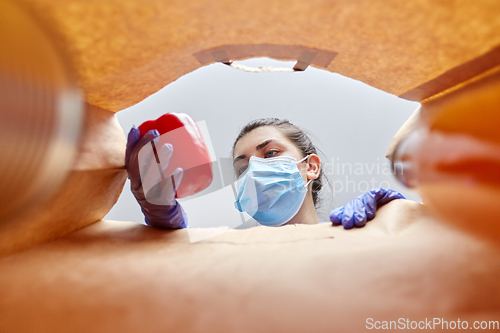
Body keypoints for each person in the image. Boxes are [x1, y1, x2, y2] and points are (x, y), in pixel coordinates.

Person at [125, 118, 405, 229]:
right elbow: (173, 261)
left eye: (270, 153)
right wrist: (162, 218)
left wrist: (399, 216)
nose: (255, 169)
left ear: (311, 167)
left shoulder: (355, 235)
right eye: (242, 168)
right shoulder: (228, 253)